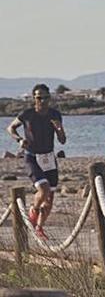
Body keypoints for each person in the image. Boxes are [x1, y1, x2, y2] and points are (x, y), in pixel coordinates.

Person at [5, 84, 67, 240]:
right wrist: (19, 139)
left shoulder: (55, 114)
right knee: (44, 189)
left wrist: (59, 129)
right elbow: (10, 128)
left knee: (50, 198)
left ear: (49, 98)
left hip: (49, 158)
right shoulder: (27, 114)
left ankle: (39, 227)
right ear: (34, 98)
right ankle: (33, 211)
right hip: (32, 156)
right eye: (39, 98)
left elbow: (62, 140)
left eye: (46, 97)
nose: (43, 101)